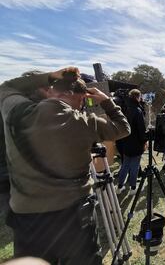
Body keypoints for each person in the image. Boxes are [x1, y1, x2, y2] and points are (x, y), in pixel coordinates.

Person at [0, 68, 130, 264]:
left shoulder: (17, 112)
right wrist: (105, 100)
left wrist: (51, 76)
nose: (81, 107)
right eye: (80, 100)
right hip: (75, 216)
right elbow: (122, 128)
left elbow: (7, 87)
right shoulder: (83, 122)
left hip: (28, 220)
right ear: (54, 92)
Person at [116, 89, 147, 196]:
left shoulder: (126, 109)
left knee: (125, 165)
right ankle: (133, 188)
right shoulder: (137, 111)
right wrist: (144, 142)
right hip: (136, 143)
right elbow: (141, 129)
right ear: (138, 97)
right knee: (134, 166)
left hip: (126, 142)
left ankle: (119, 186)